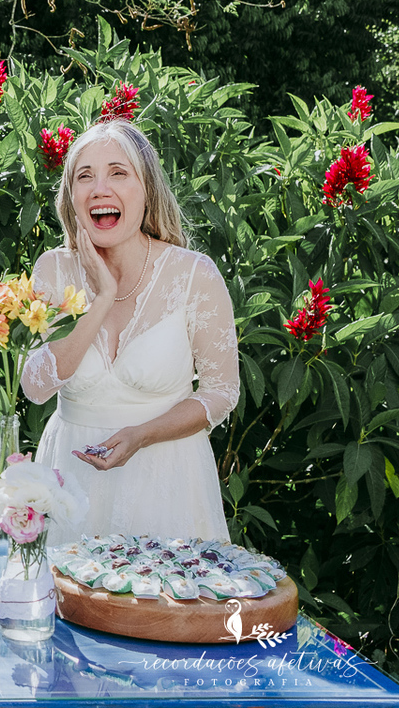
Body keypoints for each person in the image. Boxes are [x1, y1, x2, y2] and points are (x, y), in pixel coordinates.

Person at [20, 120, 239, 543]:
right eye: (85, 176)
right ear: (72, 197)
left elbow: (221, 391)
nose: (100, 188)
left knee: (163, 604)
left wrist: (142, 435)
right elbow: (35, 387)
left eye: (118, 173)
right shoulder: (54, 269)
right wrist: (101, 299)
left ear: (147, 191)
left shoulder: (194, 274)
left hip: (167, 481)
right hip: (70, 484)